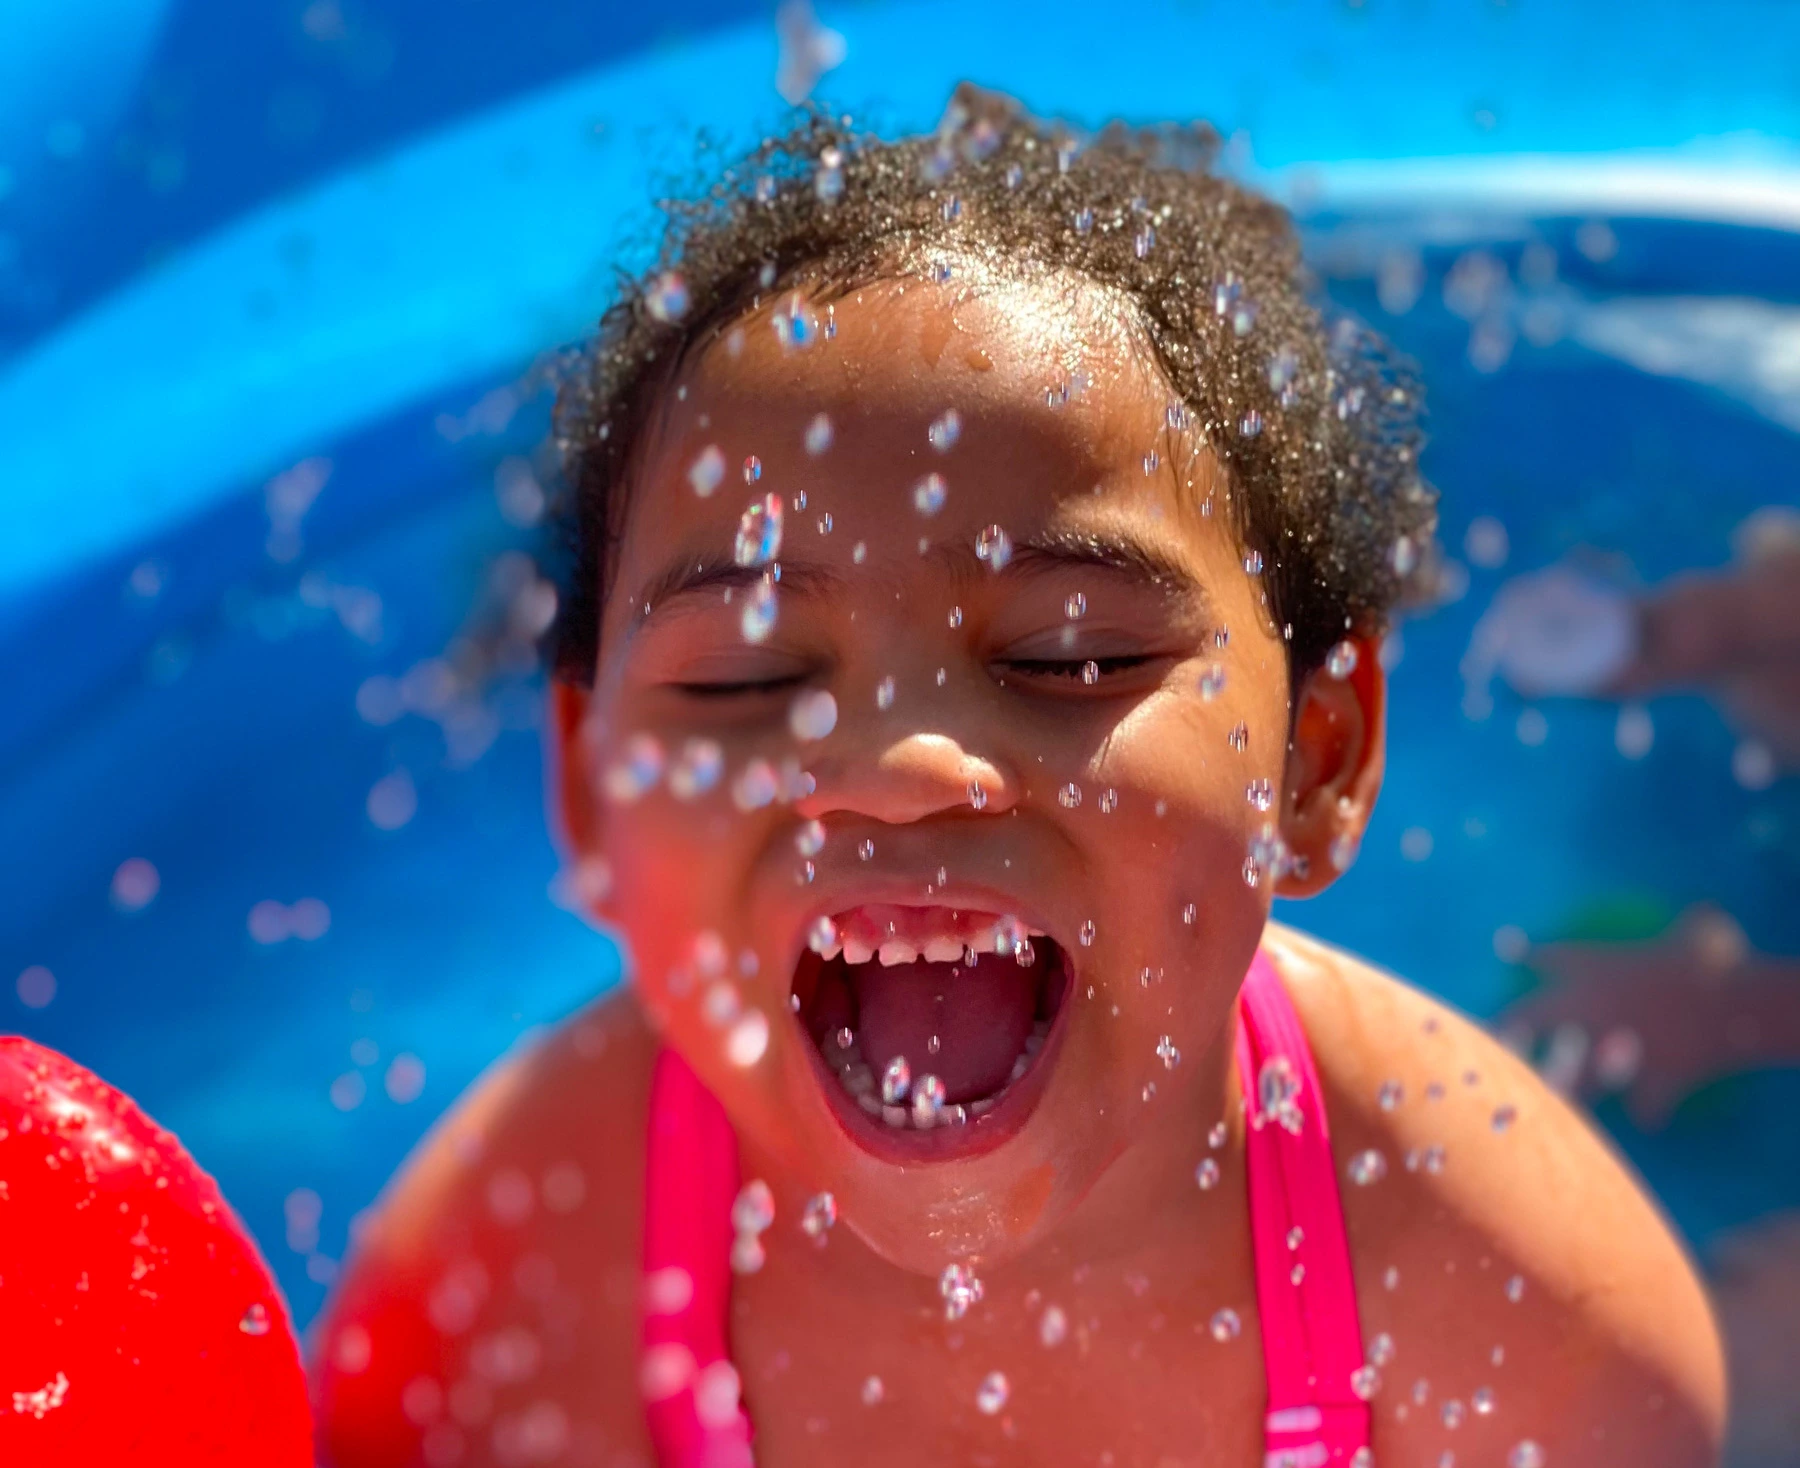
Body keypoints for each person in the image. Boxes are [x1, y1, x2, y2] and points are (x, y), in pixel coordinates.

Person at [314, 89, 1725, 1468]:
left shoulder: (1519, 1314)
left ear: (1316, 758)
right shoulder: (518, 1277)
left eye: (1070, 660)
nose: (900, 768)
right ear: (590, 792)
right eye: (745, 681)